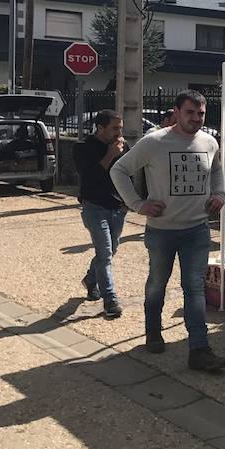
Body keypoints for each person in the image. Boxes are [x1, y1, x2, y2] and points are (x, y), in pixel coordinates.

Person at [110, 90, 225, 372]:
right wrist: (137, 204)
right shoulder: (154, 142)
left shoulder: (209, 142)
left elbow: (217, 170)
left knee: (194, 288)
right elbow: (119, 170)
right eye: (190, 112)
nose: (196, 119)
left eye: (201, 114)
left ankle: (199, 349)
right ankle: (153, 330)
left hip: (197, 229)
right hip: (162, 231)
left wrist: (220, 194)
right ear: (176, 112)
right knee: (157, 284)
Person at [72, 110, 127, 318]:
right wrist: (111, 155)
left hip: (117, 209)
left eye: (120, 128)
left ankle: (90, 279)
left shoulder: (123, 147)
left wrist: (127, 203)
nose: (118, 133)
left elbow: (129, 175)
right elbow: (90, 177)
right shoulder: (83, 148)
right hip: (94, 207)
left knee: (111, 250)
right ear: (100, 128)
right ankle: (110, 300)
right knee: (104, 253)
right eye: (114, 128)